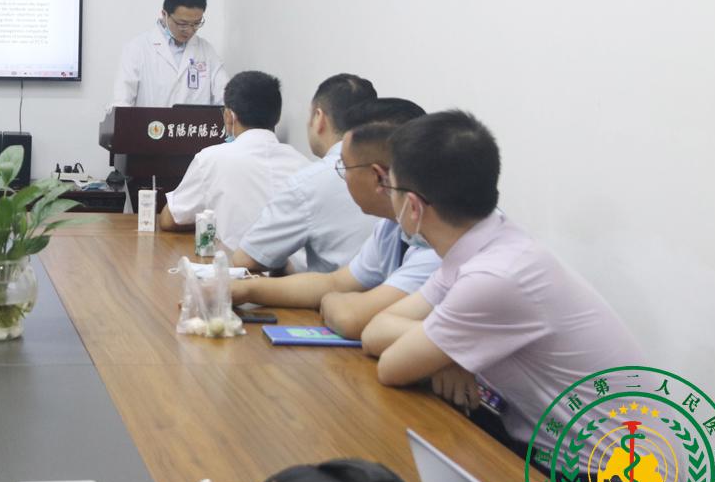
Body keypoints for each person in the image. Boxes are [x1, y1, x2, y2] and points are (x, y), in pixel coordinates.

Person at [362, 111, 641, 456]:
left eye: (390, 187)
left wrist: (442, 351)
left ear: (414, 206)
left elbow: (391, 367)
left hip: (614, 478)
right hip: (550, 448)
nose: (386, 196)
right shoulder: (482, 243)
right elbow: (375, 330)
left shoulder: (496, 277)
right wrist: (448, 354)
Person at [230, 98, 433, 338]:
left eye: (344, 167)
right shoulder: (391, 227)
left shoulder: (435, 248)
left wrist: (333, 300)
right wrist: (244, 289)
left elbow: (350, 317)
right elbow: (334, 283)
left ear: (377, 176)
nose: (342, 177)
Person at [229, 73, 378, 273]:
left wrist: (279, 261)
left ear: (319, 118)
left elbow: (246, 259)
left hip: (331, 290)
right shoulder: (389, 173)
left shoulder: (310, 181)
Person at [159, 72, 309, 249]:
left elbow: (170, 219)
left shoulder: (211, 159)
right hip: (294, 266)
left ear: (229, 116)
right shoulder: (304, 165)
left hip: (236, 264)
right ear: (277, 116)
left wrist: (210, 218)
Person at [111, 0, 229, 108]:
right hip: (150, 122)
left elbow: (226, 98)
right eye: (182, 24)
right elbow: (122, 103)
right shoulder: (138, 49)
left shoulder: (206, 51)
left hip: (193, 122)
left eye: (196, 23)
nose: (190, 30)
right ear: (164, 15)